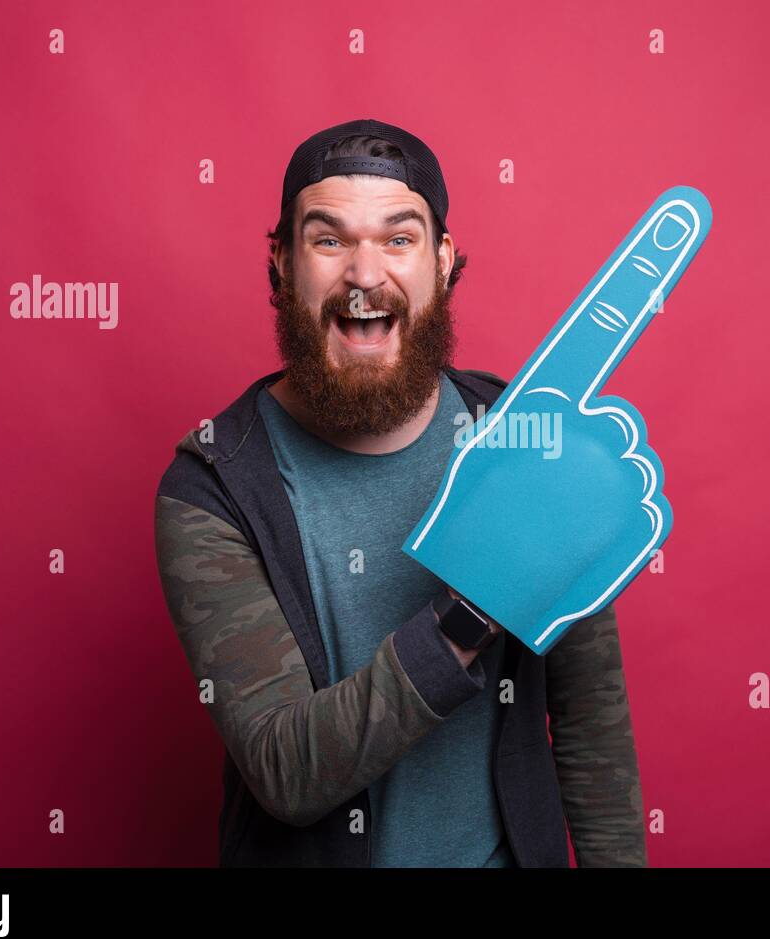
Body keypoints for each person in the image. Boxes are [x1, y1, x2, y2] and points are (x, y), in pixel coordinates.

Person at [153, 118, 646, 867]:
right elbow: (285, 769)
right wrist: (471, 606)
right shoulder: (214, 486)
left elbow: (590, 722)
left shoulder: (523, 438)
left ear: (443, 261)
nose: (363, 274)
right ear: (281, 264)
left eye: (398, 238)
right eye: (328, 240)